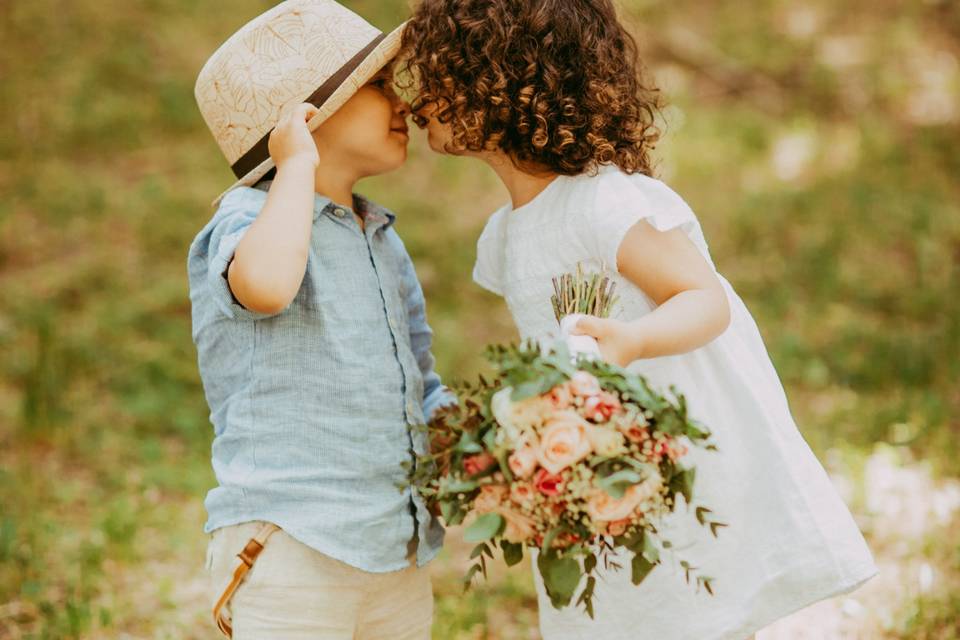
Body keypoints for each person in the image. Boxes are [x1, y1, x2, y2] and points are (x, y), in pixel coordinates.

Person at [400, 0, 878, 637]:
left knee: (688, 610)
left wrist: (635, 339)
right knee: (619, 608)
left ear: (508, 81)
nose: (419, 95)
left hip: (672, 455)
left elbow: (705, 299)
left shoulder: (602, 201)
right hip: (598, 465)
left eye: (443, 72)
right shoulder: (509, 234)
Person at [188, 2, 450, 637]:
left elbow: (420, 378)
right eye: (380, 86)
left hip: (394, 543)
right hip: (290, 541)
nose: (404, 103)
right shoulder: (246, 220)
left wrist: (487, 449)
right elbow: (269, 288)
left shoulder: (381, 237)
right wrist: (298, 167)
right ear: (305, 118)